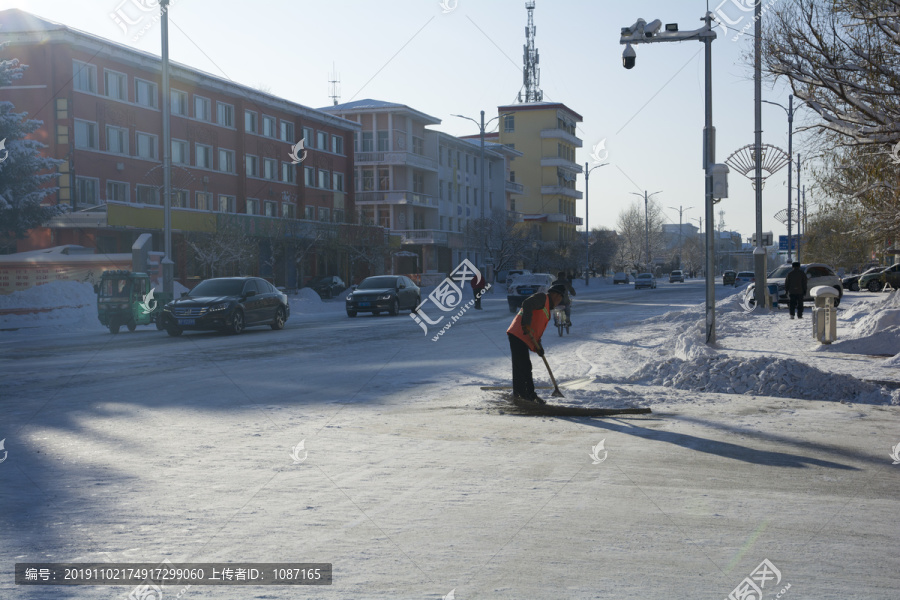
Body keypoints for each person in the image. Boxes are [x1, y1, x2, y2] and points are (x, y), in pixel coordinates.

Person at [506, 284, 567, 404]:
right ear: (555, 294)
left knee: (523, 367)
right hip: (518, 334)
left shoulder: (547, 308)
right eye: (559, 297)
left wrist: (538, 347)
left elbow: (536, 329)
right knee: (523, 367)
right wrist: (526, 324)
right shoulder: (542, 298)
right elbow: (527, 303)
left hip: (522, 337)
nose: (559, 300)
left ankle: (523, 394)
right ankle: (526, 396)